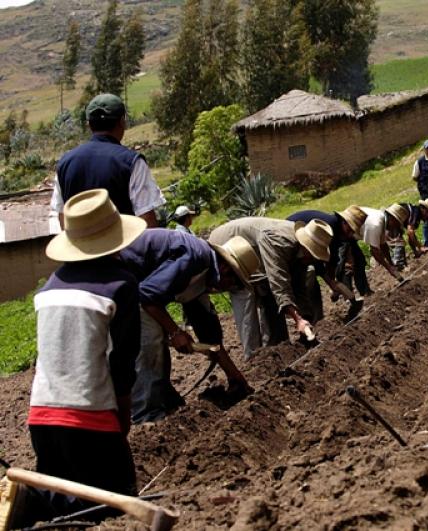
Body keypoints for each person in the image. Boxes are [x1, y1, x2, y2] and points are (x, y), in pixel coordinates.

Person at [11, 189, 146, 526]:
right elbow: (124, 359)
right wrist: (124, 410)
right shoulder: (120, 285)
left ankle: (32, 506)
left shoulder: (49, 288)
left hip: (41, 417)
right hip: (90, 417)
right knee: (118, 507)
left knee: (63, 509)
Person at [119, 229, 256, 423]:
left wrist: (234, 376)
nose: (231, 289)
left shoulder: (203, 279)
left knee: (157, 337)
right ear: (226, 270)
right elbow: (147, 297)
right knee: (151, 340)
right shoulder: (195, 258)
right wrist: (175, 332)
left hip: (137, 287)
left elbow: (211, 339)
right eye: (235, 284)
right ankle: (146, 414)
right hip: (118, 278)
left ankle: (164, 398)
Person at [208, 218, 334, 358]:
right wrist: (297, 319)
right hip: (229, 249)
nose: (315, 260)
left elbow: (298, 286)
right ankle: (254, 359)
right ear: (306, 247)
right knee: (247, 300)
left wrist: (305, 317)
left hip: (256, 254)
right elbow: (279, 284)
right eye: (314, 254)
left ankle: (275, 350)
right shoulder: (279, 241)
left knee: (269, 295)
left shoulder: (301, 252)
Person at [51, 94, 165, 228]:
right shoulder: (131, 162)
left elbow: (62, 215)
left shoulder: (65, 163)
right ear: (122, 122)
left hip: (80, 247)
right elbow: (146, 219)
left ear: (88, 125)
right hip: (124, 247)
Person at [359, 204, 409, 281]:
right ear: (392, 218)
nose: (394, 228)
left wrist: (391, 263)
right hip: (342, 233)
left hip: (351, 231)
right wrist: (389, 268)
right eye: (396, 225)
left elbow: (383, 246)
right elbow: (374, 250)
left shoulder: (383, 220)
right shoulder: (375, 224)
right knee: (354, 264)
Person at [389, 199, 428, 269]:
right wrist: (420, 247)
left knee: (399, 240)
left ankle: (399, 265)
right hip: (391, 219)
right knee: (399, 242)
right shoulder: (416, 212)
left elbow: (410, 236)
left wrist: (415, 251)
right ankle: (397, 266)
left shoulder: (416, 215)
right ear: (425, 210)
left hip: (395, 222)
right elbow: (410, 232)